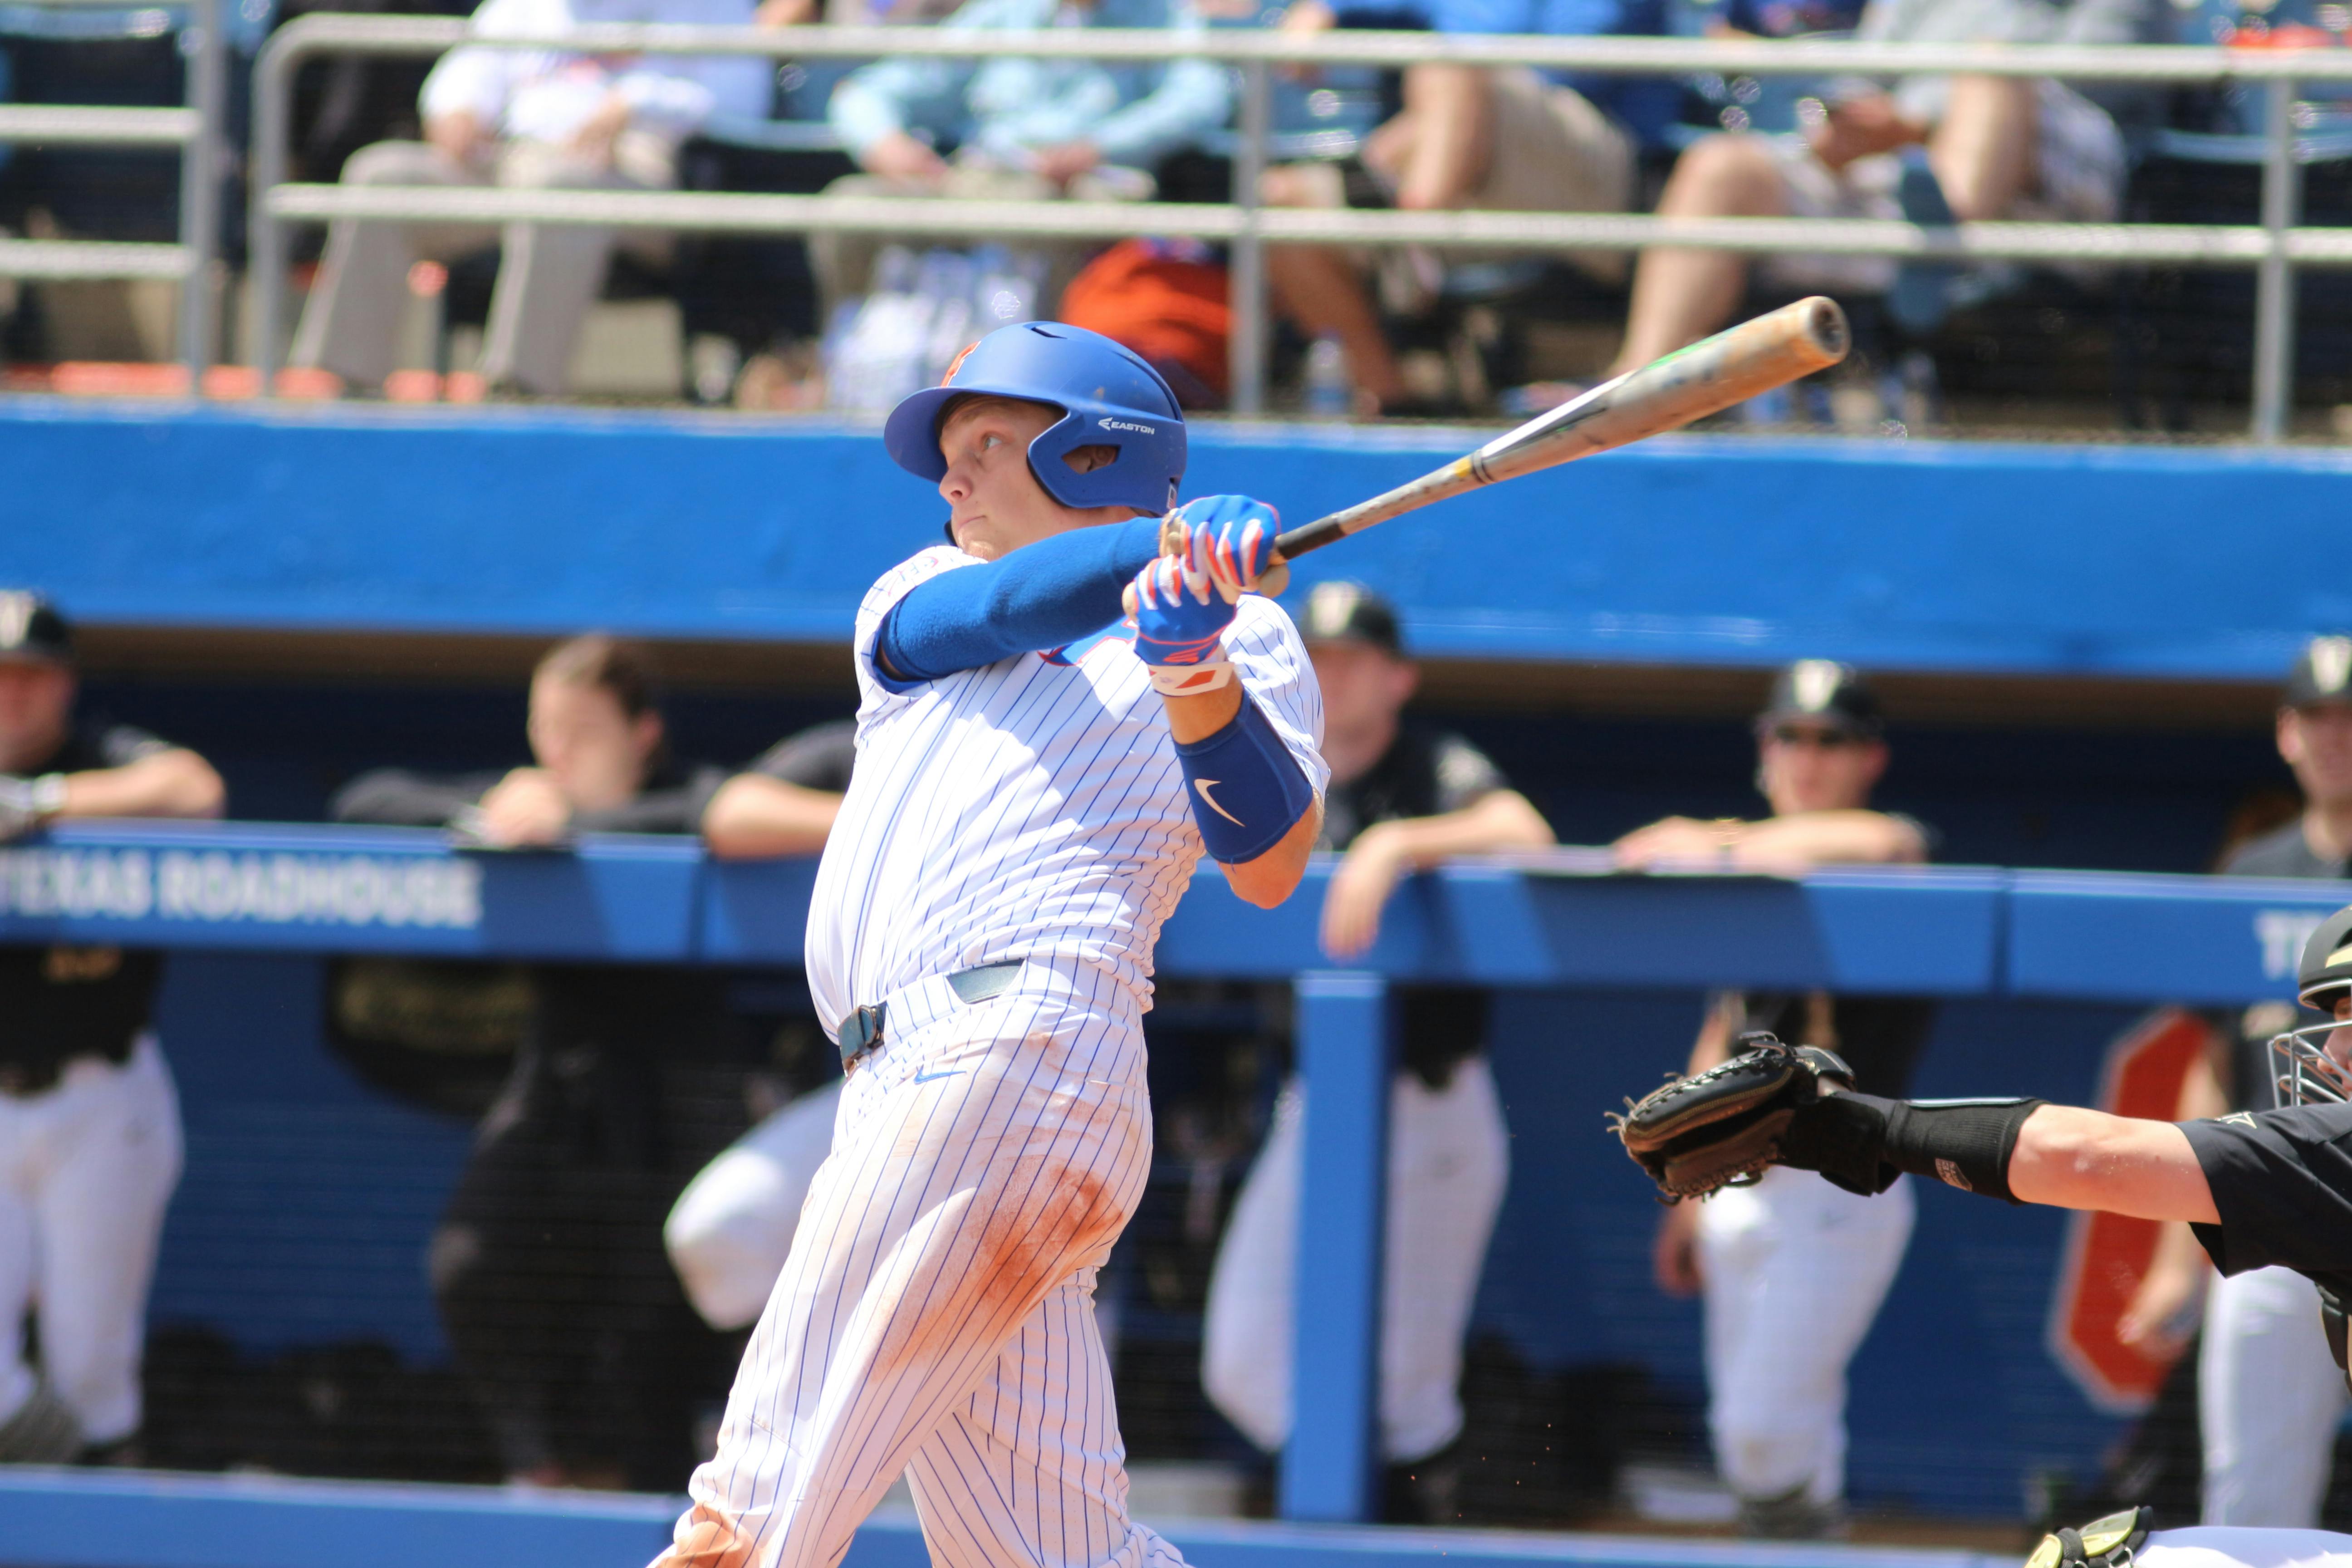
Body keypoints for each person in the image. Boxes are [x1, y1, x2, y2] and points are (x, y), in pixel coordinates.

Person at [653, 319, 1324, 1568]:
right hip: (916, 1091)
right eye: (950, 452)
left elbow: (1273, 861)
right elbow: (1012, 604)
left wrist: (1190, 664)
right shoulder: (916, 598)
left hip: (1012, 1052)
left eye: (990, 445)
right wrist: (1159, 552)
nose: (951, 478)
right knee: (1048, 1553)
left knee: (757, 1502)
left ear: (1091, 456)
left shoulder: (1241, 638)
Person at [333, 633, 747, 1489]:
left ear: (640, 734)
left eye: (581, 733)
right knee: (471, 1260)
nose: (556, 754)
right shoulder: (526, 798)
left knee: (656, 1327)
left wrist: (578, 825)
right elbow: (361, 801)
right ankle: (539, 1468)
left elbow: (716, 814)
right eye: (544, 732)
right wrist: (503, 803)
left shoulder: (688, 794)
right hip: (559, 1086)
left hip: (680, 1100)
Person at [1199, 580, 1553, 1521]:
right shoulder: (1273, 767)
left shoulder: (1429, 764)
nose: (1333, 674)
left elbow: (1527, 832)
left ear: (1400, 678)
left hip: (1433, 1102)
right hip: (1316, 1103)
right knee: (1243, 1362)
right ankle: (1349, 1506)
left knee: (1411, 1383)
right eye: (1319, 655)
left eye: (1354, 658)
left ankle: (1404, 1527)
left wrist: (1398, 842)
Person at [1616, 659, 1934, 1539]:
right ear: (1764, 748)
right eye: (1789, 735)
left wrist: (1710, 840)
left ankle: (1802, 1534)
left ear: (1869, 756)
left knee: (1760, 1437)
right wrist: (1680, 1190)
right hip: (1738, 1176)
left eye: (1831, 739)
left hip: (1843, 1176)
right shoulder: (1751, 866)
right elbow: (1724, 1025)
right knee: (1766, 1433)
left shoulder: (1886, 848)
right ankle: (1814, 1546)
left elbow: (1890, 845)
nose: (1808, 756)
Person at [2115, 635, 2352, 1528]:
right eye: (2318, 717)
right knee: (2253, 1501)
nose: (2337, 738)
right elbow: (2215, 1077)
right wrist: (2180, 1259)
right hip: (2281, 1206)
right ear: (2288, 734)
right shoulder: (2250, 873)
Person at [1600, 0, 2139, 382]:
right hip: (1900, 181)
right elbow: (1869, 77)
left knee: (1991, 66)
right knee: (1721, 165)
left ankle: (1941, 248)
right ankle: (1636, 386)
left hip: (2053, 182)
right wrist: (1845, 130)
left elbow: (2109, 79)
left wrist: (1919, 126)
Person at [0, 591, 223, 1463]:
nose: (14, 695)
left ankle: (87, 1515)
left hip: (100, 1096)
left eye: (32, 676)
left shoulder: (98, 759)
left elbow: (196, 787)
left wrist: (35, 804)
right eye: (1, 677)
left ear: (64, 686)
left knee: (92, 1367)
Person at [289, 0, 771, 397]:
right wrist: (456, 110)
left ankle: (516, 392)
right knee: (382, 175)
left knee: (560, 188)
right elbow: (467, 70)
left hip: (639, 171)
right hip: (508, 159)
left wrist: (635, 103)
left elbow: (743, 98)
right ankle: (347, 383)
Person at [1261, 0, 1670, 415]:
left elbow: (1568, 67)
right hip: (1450, 158)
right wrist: (1320, 9)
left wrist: (1444, 103)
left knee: (1454, 70)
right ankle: (1396, 400)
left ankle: (1410, 246)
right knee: (1278, 203)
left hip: (1588, 165)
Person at [814, 0, 1231, 315]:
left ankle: (1033, 384)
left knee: (1035, 213)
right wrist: (885, 143)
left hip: (1090, 188)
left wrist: (1099, 146)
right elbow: (871, 91)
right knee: (851, 205)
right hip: (974, 180)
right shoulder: (1005, 11)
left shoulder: (1162, 15)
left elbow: (1202, 98)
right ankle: (854, 364)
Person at [665, 719, 857, 1331]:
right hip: (899, 1063)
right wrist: (882, 822)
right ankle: (772, 1415)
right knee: (721, 1230)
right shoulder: (879, 737)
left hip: (1049, 1059)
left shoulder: (1072, 736)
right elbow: (728, 814)